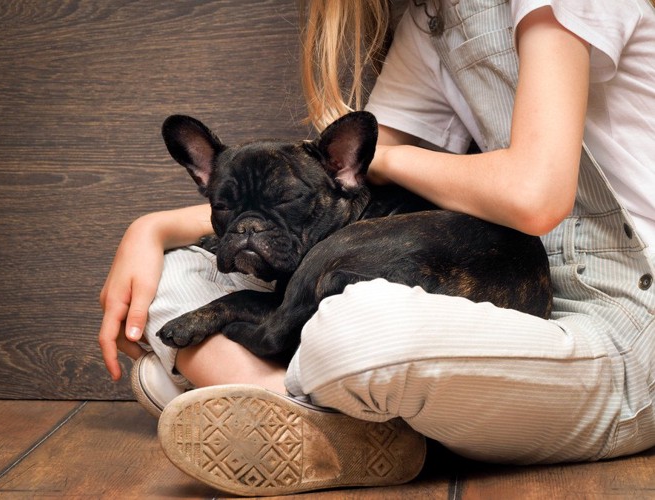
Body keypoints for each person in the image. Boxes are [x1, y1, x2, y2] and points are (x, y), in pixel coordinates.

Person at [99, 0, 655, 496]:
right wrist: (153, 229)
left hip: (627, 329)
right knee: (180, 271)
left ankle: (240, 385)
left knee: (357, 326)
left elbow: (535, 195)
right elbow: (315, 197)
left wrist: (380, 159)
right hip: (510, 320)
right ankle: (297, 406)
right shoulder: (431, 19)